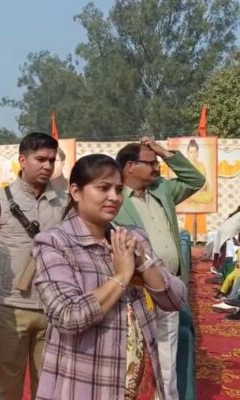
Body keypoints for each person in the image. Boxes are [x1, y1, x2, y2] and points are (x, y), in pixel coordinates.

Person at [34, 154, 187, 399]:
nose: (114, 197)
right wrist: (123, 275)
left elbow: (176, 299)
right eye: (103, 188)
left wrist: (142, 262)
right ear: (76, 192)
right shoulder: (54, 243)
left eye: (118, 189)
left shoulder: (132, 238)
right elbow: (68, 316)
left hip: (140, 381)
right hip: (88, 382)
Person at [0, 132, 67, 399]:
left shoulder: (65, 203)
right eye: (40, 159)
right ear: (23, 160)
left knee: (48, 387)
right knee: (9, 385)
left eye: (52, 160)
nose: (47, 166)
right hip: (11, 309)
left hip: (53, 308)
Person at [115, 137, 205, 400]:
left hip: (168, 287)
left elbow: (196, 181)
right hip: (135, 291)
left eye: (157, 163)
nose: (157, 167)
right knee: (133, 357)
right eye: (151, 163)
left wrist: (164, 152)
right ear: (130, 166)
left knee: (168, 356)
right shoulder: (115, 199)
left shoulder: (162, 190)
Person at [211, 202, 240, 269]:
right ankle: (220, 267)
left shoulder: (237, 213)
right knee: (226, 249)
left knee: (218, 248)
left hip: (222, 229)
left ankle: (215, 265)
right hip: (228, 231)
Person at [184, 139, 212, 204]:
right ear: (187, 153)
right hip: (188, 191)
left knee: (209, 197)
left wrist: (199, 190)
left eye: (195, 152)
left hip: (199, 191)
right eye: (191, 152)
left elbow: (204, 181)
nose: (193, 154)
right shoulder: (185, 165)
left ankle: (191, 199)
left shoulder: (201, 165)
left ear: (197, 153)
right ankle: (190, 198)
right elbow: (183, 182)